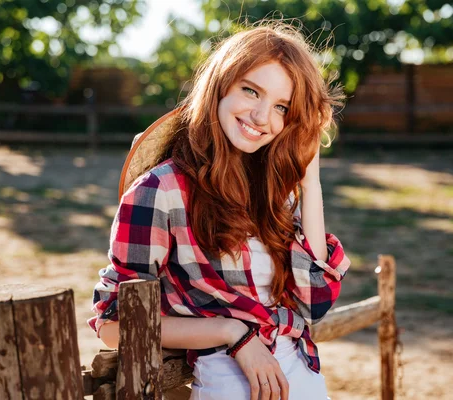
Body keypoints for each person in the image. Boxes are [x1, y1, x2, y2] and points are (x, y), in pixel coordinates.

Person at [89, 23, 351, 400]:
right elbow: (115, 325)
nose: (262, 116)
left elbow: (314, 302)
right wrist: (233, 333)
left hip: (303, 379)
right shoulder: (160, 191)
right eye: (251, 90)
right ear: (220, 86)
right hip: (229, 382)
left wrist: (310, 182)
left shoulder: (277, 191)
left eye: (281, 107)